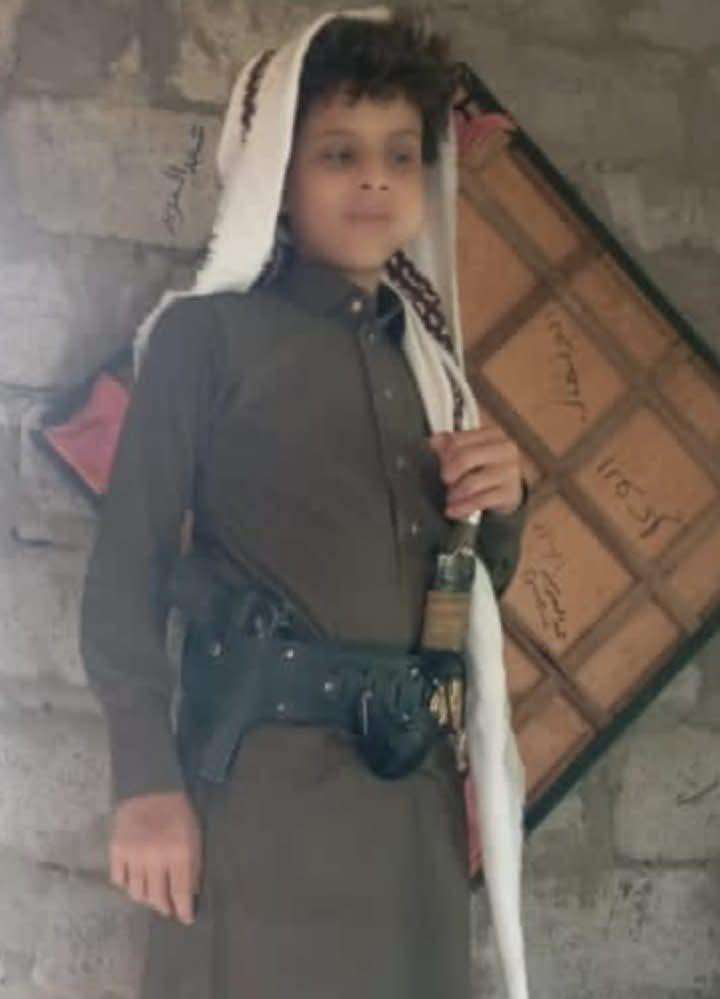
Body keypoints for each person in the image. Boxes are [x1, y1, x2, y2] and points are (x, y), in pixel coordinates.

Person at [79, 6, 531, 998]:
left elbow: (461, 595)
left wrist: (501, 508)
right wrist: (145, 782)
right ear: (277, 176)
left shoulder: (431, 372)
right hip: (258, 804)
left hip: (410, 810)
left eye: (400, 154)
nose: (375, 179)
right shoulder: (205, 340)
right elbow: (124, 578)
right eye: (338, 153)